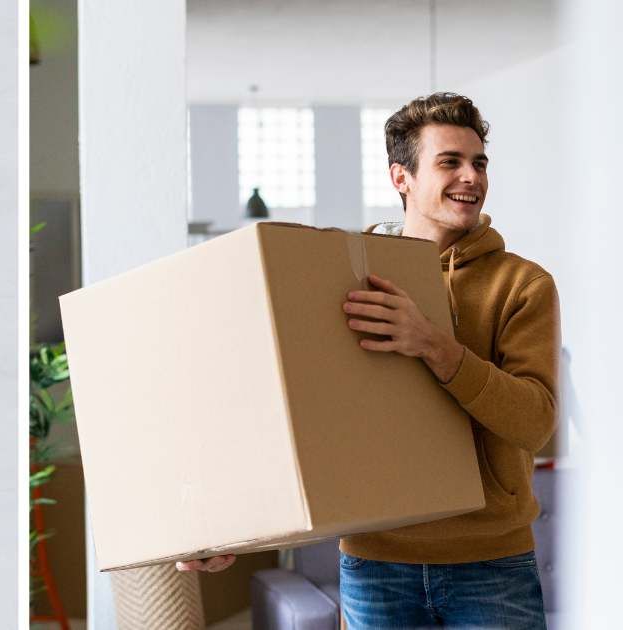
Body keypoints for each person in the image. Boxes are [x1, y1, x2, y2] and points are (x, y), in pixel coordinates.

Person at [180, 92, 559, 629]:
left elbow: (535, 421)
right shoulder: (338, 277)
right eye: (449, 162)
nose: (471, 177)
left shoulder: (523, 285)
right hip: (375, 564)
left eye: (479, 162)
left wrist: (433, 343)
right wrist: (230, 527)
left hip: (491, 564)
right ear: (400, 178)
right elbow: (292, 409)